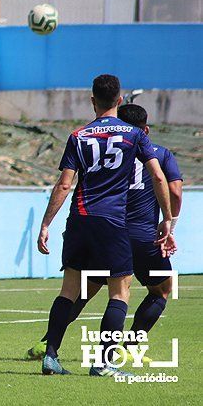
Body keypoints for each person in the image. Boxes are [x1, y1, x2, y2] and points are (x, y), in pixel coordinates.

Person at [36, 75, 173, 377]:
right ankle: (104, 363)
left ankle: (51, 356)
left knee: (69, 290)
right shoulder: (133, 134)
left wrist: (46, 224)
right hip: (112, 222)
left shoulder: (78, 135)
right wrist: (167, 219)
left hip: (79, 219)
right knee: (120, 292)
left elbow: (63, 185)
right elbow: (158, 177)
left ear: (92, 100)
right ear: (120, 100)